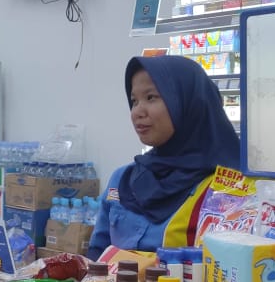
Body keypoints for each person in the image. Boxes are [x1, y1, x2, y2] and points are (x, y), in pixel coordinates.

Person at [88, 56, 240, 258]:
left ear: (189, 103)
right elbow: (97, 255)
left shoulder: (227, 191)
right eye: (134, 101)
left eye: (151, 97)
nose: (137, 111)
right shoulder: (122, 179)